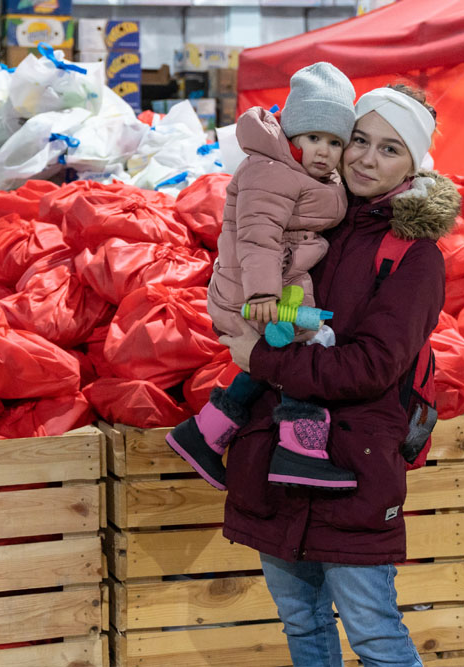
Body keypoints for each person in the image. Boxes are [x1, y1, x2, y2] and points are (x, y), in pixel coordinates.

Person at [217, 83, 460, 666]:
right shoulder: (309, 223)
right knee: (302, 627)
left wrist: (263, 360)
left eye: (389, 149)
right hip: (277, 459)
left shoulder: (414, 254)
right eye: (359, 140)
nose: (366, 159)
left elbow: (371, 367)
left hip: (354, 467)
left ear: (414, 163)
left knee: (374, 633)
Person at [166, 62, 358, 491]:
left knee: (264, 366)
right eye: (312, 138)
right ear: (291, 137)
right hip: (254, 292)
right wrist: (265, 293)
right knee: (306, 357)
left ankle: (203, 435)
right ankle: (299, 452)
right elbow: (258, 237)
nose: (323, 151)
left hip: (274, 286)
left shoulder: (307, 174)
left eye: (334, 142)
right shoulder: (271, 172)